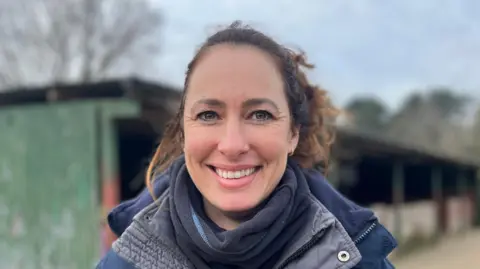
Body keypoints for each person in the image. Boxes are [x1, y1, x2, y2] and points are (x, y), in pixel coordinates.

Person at [96, 21, 397, 269]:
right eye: (209, 114)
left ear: (293, 133)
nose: (232, 145)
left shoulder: (358, 259)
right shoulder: (125, 262)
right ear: (184, 131)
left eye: (260, 115)